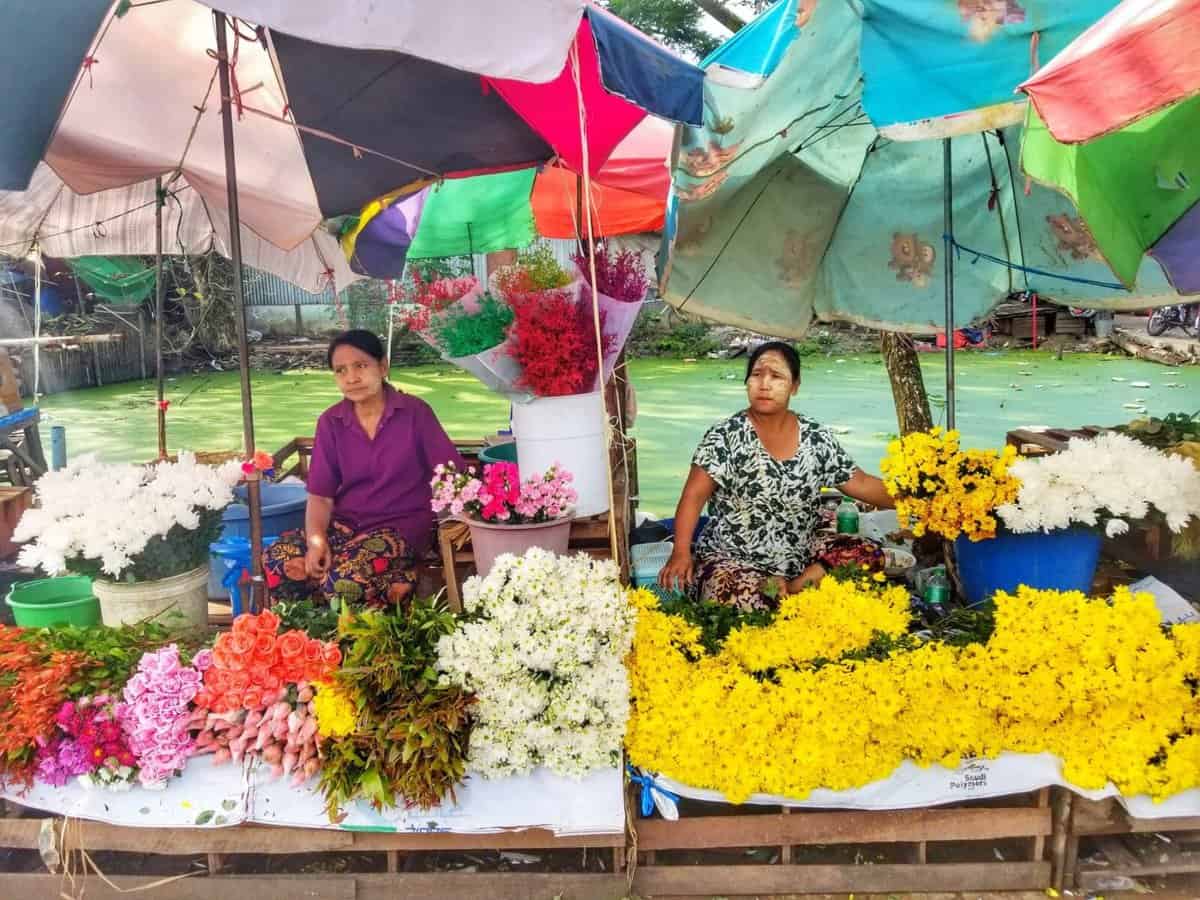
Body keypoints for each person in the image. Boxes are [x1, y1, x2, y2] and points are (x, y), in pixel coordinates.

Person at [658, 341, 894, 611]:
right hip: (734, 559)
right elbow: (693, 496)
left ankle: (795, 587)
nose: (764, 384)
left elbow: (861, 483)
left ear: (794, 386)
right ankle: (793, 598)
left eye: (777, 376)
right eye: (757, 375)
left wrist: (918, 498)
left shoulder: (815, 436)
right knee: (741, 596)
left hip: (799, 554)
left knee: (869, 552)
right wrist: (680, 552)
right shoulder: (724, 436)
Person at [264, 329, 464, 608]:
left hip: (401, 529)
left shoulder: (414, 413)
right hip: (346, 525)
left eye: (361, 366)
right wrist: (316, 541)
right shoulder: (331, 422)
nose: (351, 378)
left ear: (382, 366)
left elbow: (452, 475)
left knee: (341, 578)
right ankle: (306, 636)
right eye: (340, 370)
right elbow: (320, 496)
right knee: (278, 558)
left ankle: (396, 585)